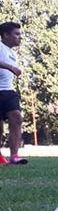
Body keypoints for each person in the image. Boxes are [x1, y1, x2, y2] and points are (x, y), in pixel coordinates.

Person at [0, 21, 27, 165]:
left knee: (17, 118)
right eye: (16, 34)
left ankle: (14, 156)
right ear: (5, 35)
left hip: (8, 91)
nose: (19, 37)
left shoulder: (13, 53)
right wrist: (10, 67)